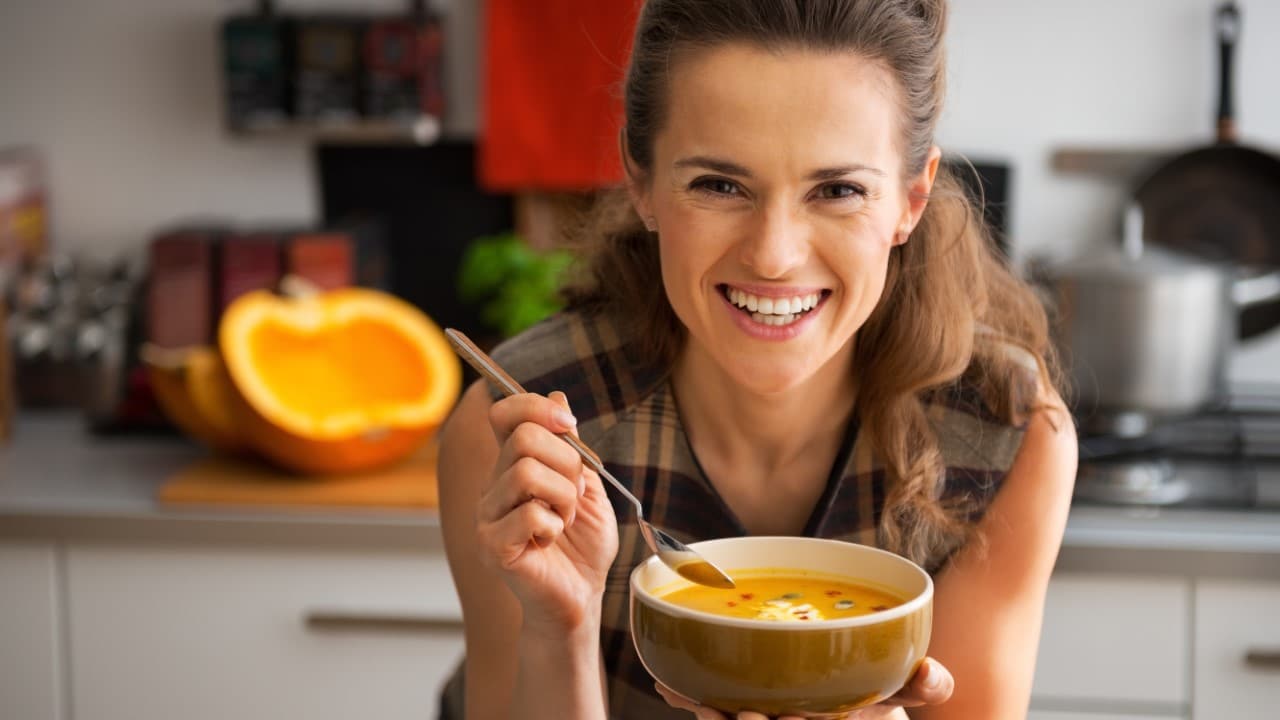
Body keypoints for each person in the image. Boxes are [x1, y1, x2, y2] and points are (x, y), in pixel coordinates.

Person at [437, 0, 1078, 718]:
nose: (774, 255)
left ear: (910, 198)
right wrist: (562, 628)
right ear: (641, 181)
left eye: (838, 190)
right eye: (719, 185)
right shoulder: (522, 432)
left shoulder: (1006, 431)